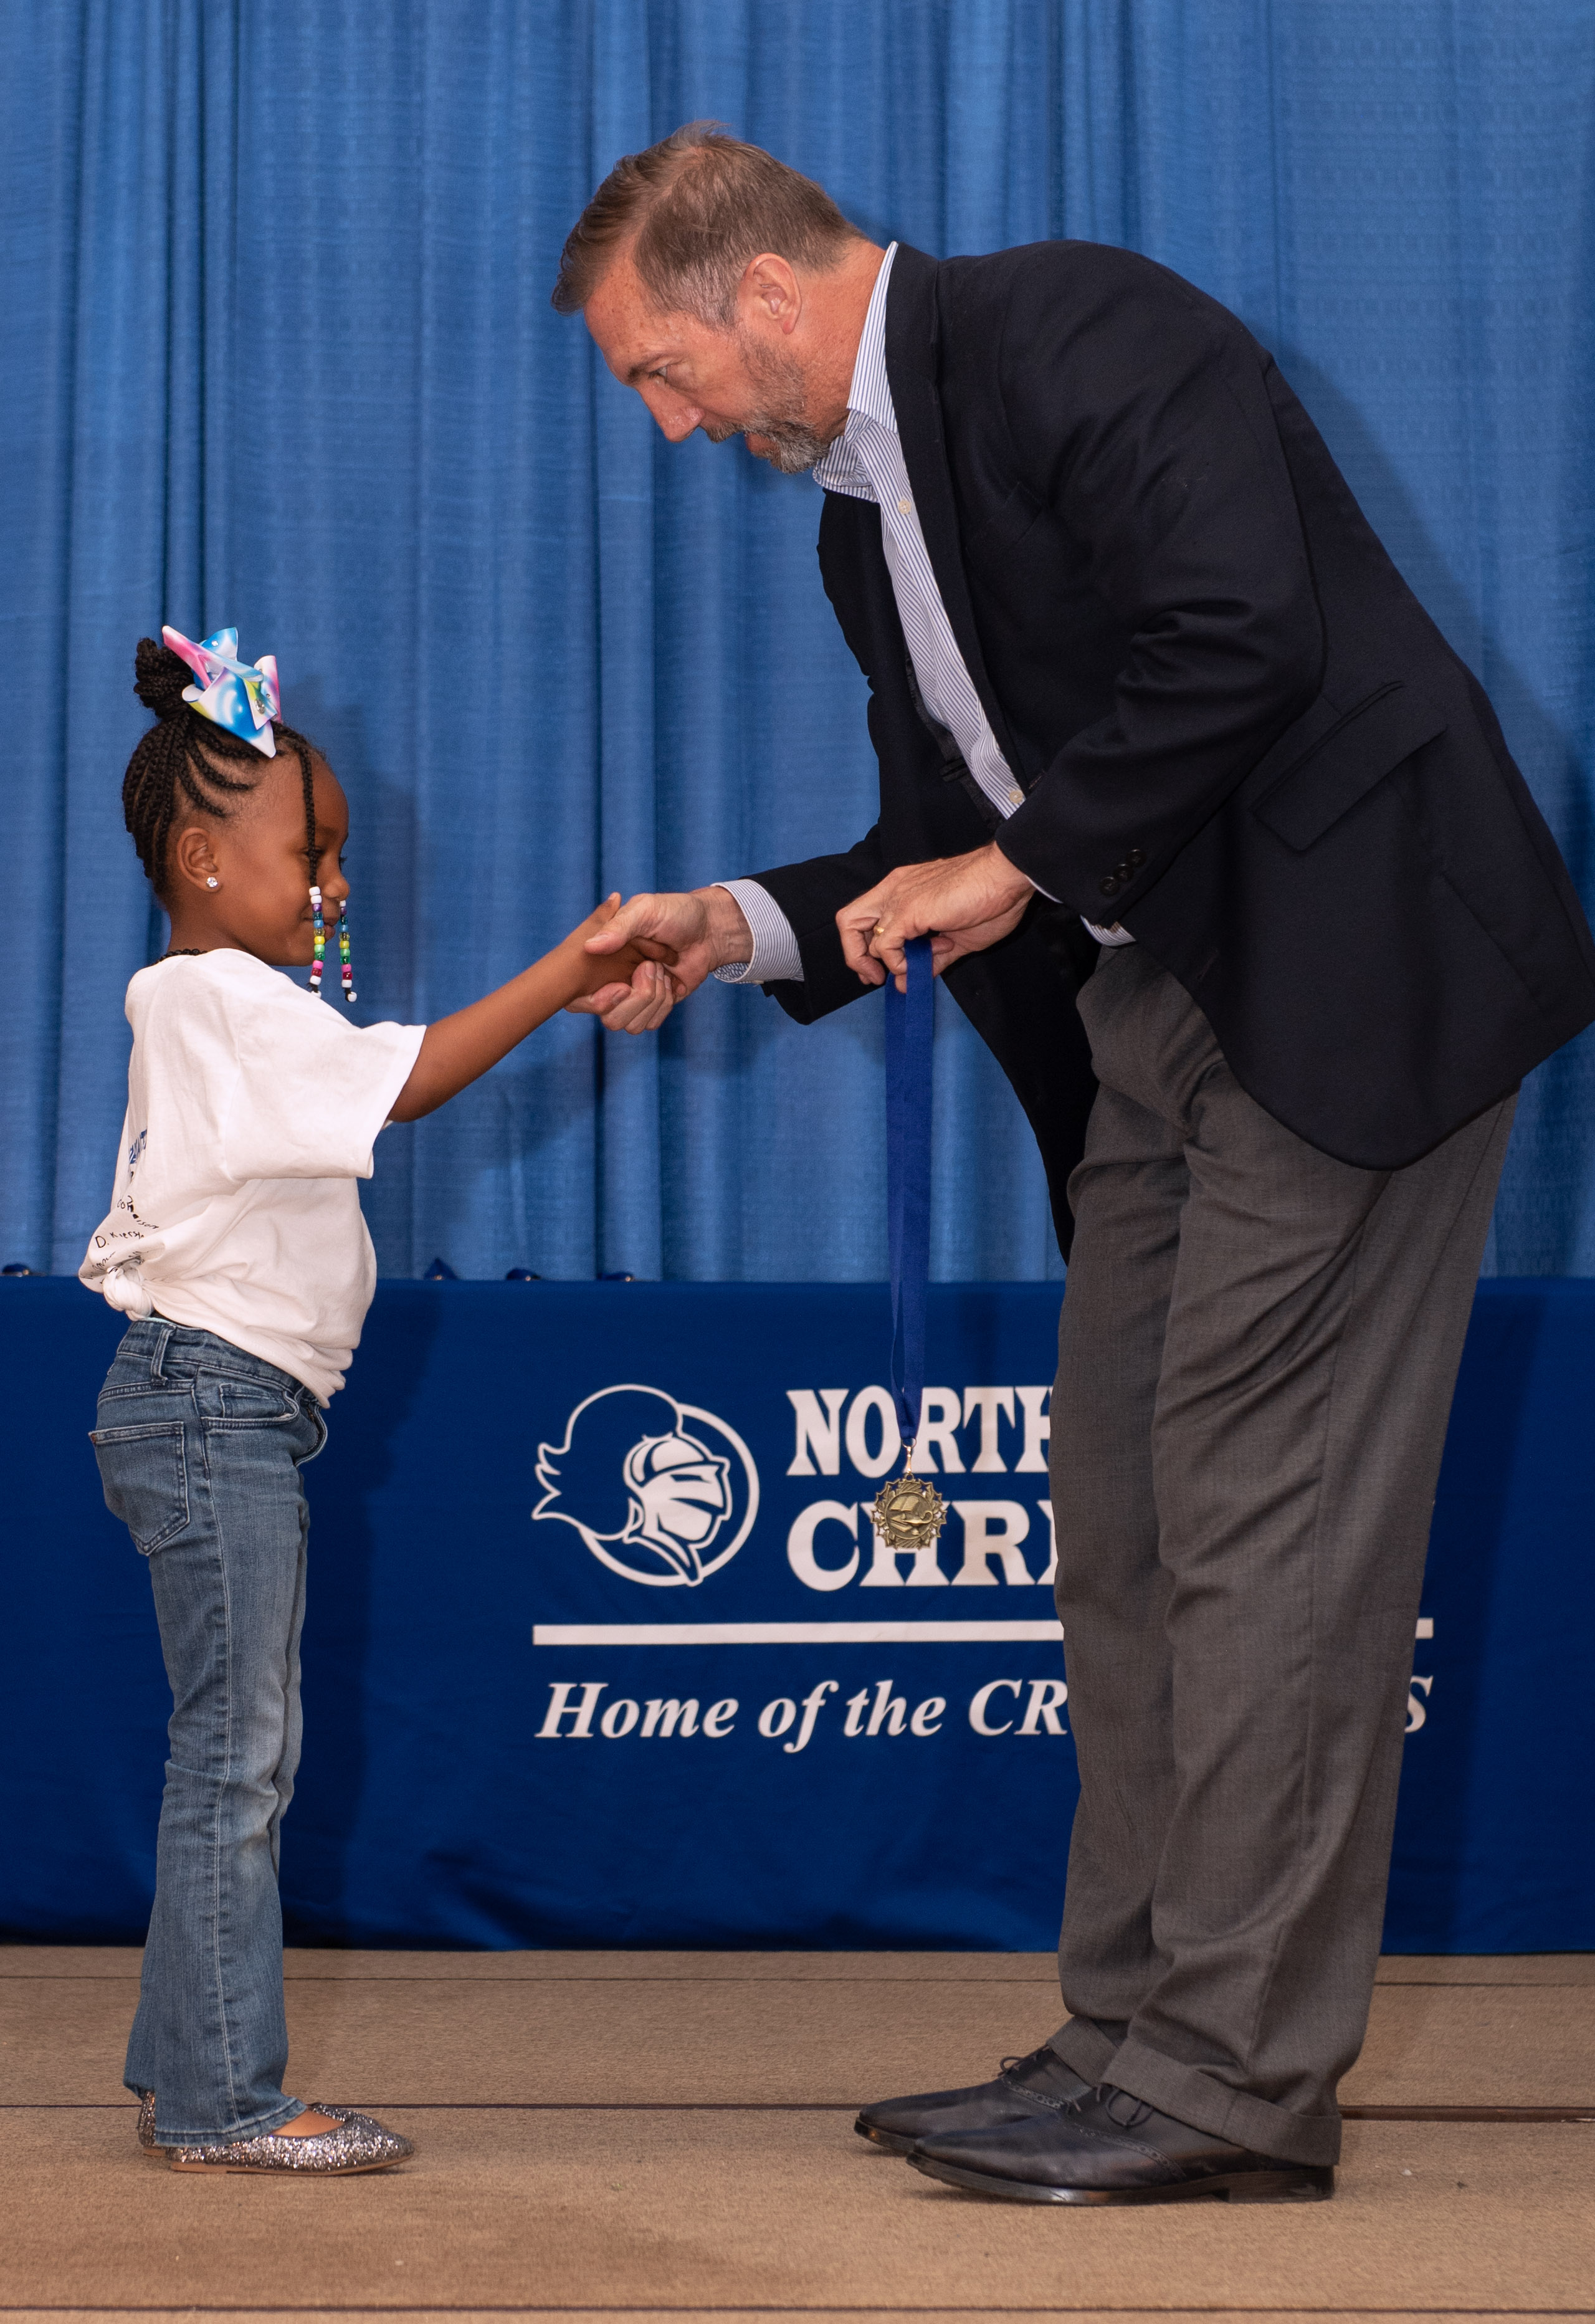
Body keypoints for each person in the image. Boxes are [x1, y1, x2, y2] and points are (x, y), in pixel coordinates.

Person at [553, 126, 1595, 2204]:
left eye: (659, 372)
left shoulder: (1073, 328)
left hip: (1356, 979)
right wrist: (737, 922)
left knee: (1261, 1527)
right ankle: (1126, 2034)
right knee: (1117, 1515)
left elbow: (1245, 632)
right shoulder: (868, 528)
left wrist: (1006, 864)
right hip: (1160, 1019)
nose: (669, 426)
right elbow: (943, 845)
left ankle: (1233, 2078)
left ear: (762, 294)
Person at [82, 631, 672, 2176]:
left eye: (336, 855)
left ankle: (179, 2065)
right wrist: (572, 965)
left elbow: (357, 1088)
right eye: (312, 853)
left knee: (228, 1744)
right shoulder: (216, 993)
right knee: (238, 1753)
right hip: (208, 1403)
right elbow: (405, 1084)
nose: (334, 884)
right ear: (204, 858)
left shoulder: (229, 1004)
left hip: (218, 1408)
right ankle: (225, 2100)